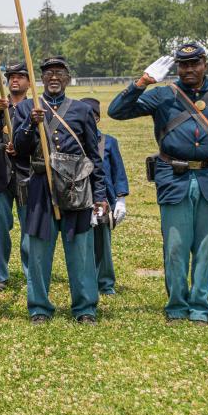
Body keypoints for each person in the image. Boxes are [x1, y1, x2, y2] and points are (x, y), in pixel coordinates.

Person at [107, 44, 208, 324]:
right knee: (176, 246)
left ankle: (200, 307)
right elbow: (116, 111)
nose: (189, 69)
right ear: (177, 67)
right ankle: (177, 306)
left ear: (205, 63)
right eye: (183, 65)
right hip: (174, 178)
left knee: (205, 247)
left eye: (195, 63)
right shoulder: (162, 95)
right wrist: (142, 82)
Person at [12, 56, 106, 324]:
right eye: (49, 73)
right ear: (41, 78)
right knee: (39, 251)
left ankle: (85, 307)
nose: (54, 78)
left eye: (59, 73)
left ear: (68, 78)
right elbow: (19, 148)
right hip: (42, 187)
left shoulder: (82, 111)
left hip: (76, 187)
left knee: (80, 250)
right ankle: (39, 307)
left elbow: (93, 156)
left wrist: (99, 195)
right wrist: (30, 123)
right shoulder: (27, 108)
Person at [0, 62, 31, 292]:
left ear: (29, 82)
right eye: (11, 76)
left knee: (31, 227)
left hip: (27, 172)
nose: (15, 80)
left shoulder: (36, 107)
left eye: (20, 76)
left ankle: (33, 273)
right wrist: (0, 111)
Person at [81, 97, 128, 295]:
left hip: (102, 199)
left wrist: (121, 199)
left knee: (103, 244)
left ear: (97, 119)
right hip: (79, 199)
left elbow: (118, 172)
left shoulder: (109, 142)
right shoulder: (72, 142)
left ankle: (106, 283)